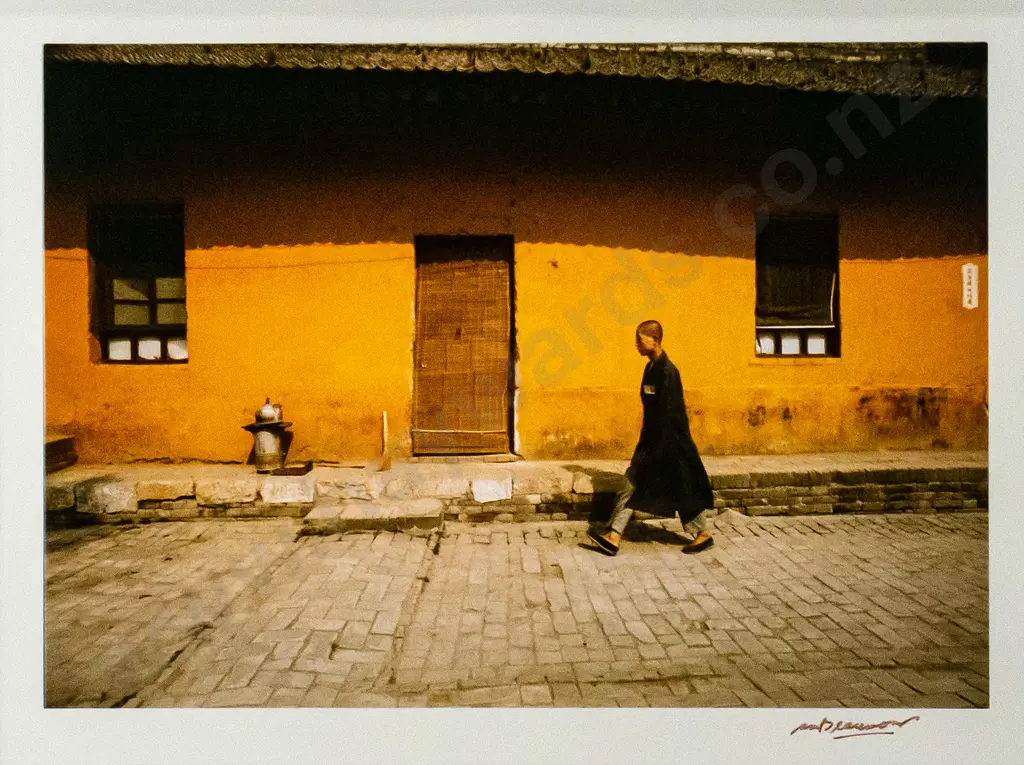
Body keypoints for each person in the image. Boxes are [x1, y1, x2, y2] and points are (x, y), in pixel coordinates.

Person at [588, 319, 715, 556]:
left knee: (675, 487)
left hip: (669, 444)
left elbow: (671, 414)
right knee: (635, 484)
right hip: (652, 442)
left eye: (640, 340)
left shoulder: (668, 372)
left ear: (654, 340)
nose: (637, 345)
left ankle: (701, 533)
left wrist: (657, 451)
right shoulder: (650, 368)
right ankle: (614, 535)